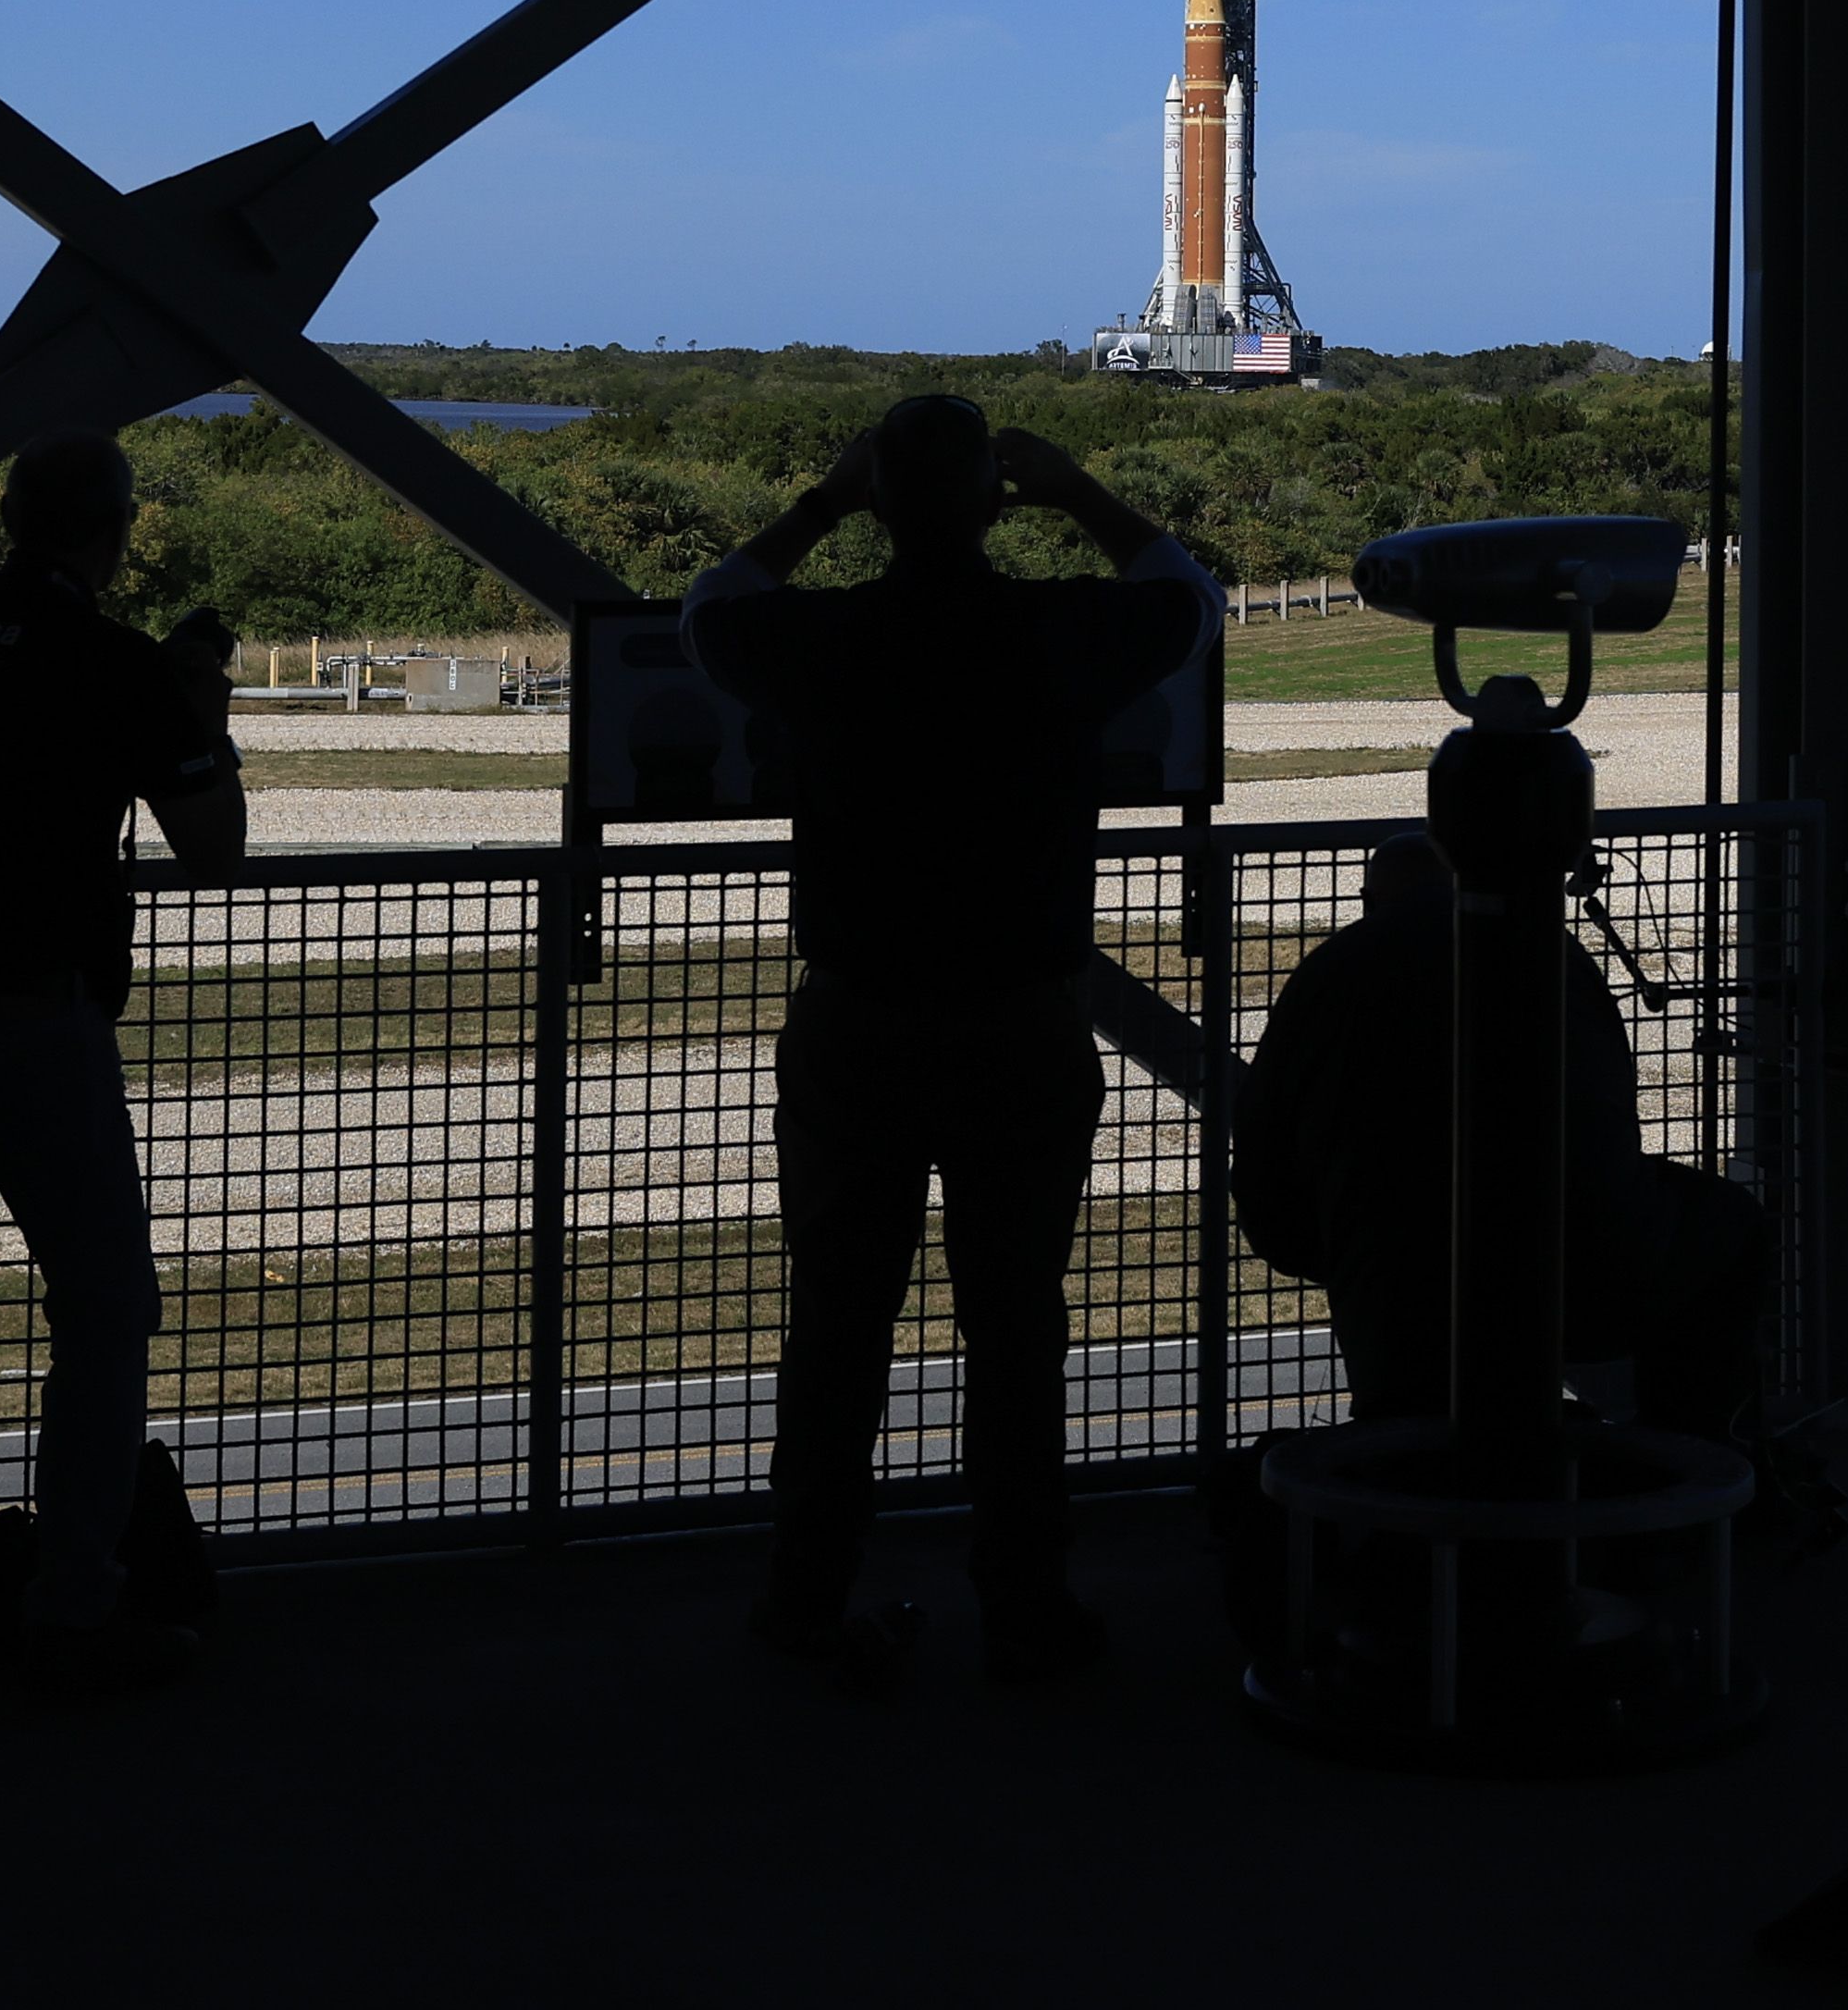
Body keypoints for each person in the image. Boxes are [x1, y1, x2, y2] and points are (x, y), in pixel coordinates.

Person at [683, 398, 1211, 1693]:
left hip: (859, 1017)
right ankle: (1025, 1604)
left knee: (841, 1327)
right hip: (1021, 1021)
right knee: (1019, 1327)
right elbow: (1184, 594)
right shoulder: (1055, 631)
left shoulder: (827, 636)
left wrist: (822, 498)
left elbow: (709, 609)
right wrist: (1077, 484)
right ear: (992, 501)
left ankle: (808, 1596)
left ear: (880, 499)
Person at [0, 430, 246, 1718]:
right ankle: (72, 1605)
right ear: (115, 533)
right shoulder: (115, 665)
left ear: (9, 517)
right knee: (108, 1308)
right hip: (31, 1025)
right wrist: (194, 711)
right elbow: (216, 845)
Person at [1235, 835, 1769, 1448]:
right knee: (1734, 1226)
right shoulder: (1554, 952)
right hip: (1577, 1269)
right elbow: (1608, 1121)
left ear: (1367, 900)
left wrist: (1330, 1247)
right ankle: (1686, 1460)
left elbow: (1262, 1162)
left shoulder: (1329, 970)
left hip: (1392, 1295)